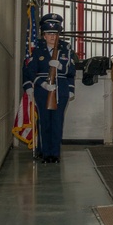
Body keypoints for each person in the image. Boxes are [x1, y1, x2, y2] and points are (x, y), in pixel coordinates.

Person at [22, 13, 76, 164]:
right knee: (45, 122)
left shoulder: (65, 49)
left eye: (55, 33)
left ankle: (55, 154)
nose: (52, 37)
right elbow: (31, 71)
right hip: (43, 90)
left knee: (57, 122)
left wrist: (60, 66)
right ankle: (46, 154)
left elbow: (71, 71)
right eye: (49, 33)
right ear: (44, 35)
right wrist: (42, 83)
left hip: (61, 90)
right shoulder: (38, 51)